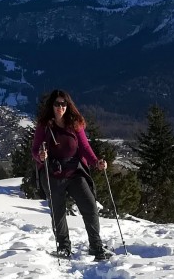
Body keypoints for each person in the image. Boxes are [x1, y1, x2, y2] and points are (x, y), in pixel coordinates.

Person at [31, 89, 113, 260]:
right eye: (57, 104)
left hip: (75, 171)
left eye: (63, 104)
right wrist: (40, 156)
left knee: (90, 206)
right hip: (53, 173)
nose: (60, 107)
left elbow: (84, 147)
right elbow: (35, 149)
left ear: (68, 105)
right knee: (58, 212)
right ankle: (63, 247)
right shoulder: (44, 125)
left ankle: (96, 246)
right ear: (51, 106)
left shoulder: (75, 124)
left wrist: (96, 162)